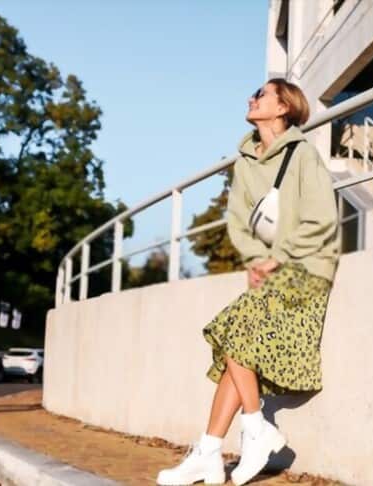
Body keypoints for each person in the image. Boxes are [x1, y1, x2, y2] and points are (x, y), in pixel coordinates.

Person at [157, 79, 340, 486]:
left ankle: (254, 429)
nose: (251, 98)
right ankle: (211, 451)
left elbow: (323, 218)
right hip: (270, 275)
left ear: (283, 108)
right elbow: (239, 221)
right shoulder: (244, 161)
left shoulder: (303, 155)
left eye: (261, 94)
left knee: (232, 333)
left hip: (307, 269)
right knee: (237, 347)